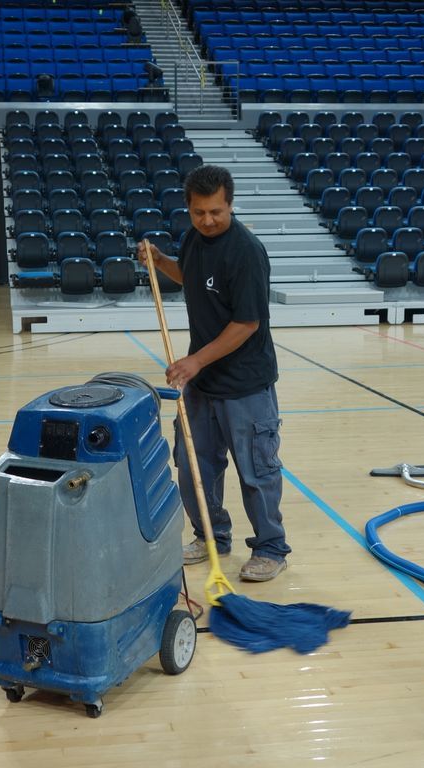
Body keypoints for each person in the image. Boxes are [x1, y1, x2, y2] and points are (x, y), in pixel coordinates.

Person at [137, 165, 290, 582]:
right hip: (201, 382)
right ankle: (210, 536)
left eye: (216, 212)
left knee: (257, 471)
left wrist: (195, 361)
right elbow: (192, 280)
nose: (208, 220)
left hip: (245, 384)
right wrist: (161, 260)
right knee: (192, 466)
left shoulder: (246, 251)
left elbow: (246, 324)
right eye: (199, 212)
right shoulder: (194, 239)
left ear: (230, 204)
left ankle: (271, 549)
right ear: (188, 208)